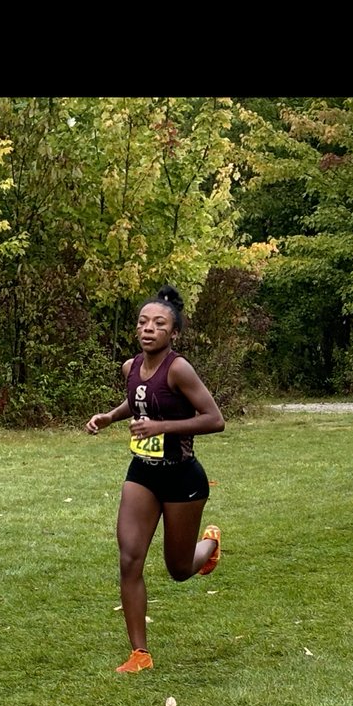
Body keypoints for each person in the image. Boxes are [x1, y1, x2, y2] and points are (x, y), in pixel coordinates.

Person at [86, 285, 225, 672]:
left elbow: (215, 419)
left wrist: (162, 426)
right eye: (143, 322)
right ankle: (140, 654)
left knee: (178, 570)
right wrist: (110, 417)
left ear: (173, 334)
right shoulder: (130, 368)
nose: (149, 329)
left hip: (182, 479)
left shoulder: (179, 369)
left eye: (159, 324)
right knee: (130, 558)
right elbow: (139, 398)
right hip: (142, 475)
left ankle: (209, 546)